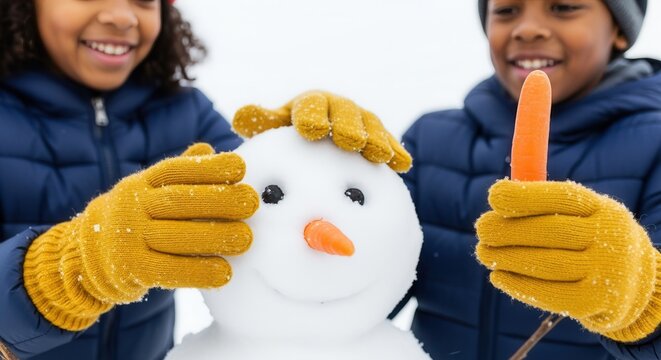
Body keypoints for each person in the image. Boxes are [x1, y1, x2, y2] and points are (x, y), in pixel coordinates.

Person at [0, 0, 409, 359]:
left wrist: (301, 151)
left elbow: (252, 200)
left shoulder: (184, 113)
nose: (122, 16)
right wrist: (60, 272)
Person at [396, 0, 661, 358]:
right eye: (506, 11)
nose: (527, 28)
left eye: (563, 7)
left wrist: (644, 296)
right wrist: (318, 164)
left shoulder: (655, 144)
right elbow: (355, 287)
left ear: (618, 29)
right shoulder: (429, 140)